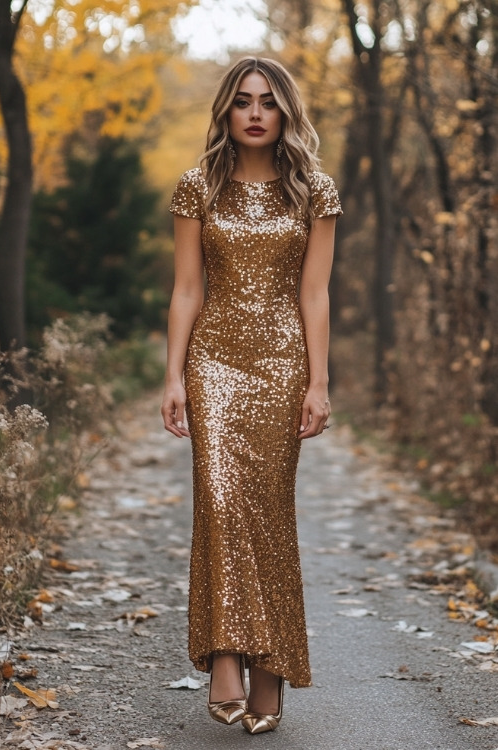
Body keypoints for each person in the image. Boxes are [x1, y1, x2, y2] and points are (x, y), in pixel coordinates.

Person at [161, 56, 342, 735]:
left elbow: (316, 294)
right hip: (214, 364)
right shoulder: (198, 187)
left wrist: (319, 383)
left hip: (282, 365)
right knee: (221, 501)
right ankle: (227, 658)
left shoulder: (313, 191)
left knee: (267, 511)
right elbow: (185, 289)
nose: (257, 112)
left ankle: (272, 669)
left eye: (269, 101)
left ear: (286, 112)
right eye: (243, 101)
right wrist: (173, 374)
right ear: (227, 112)